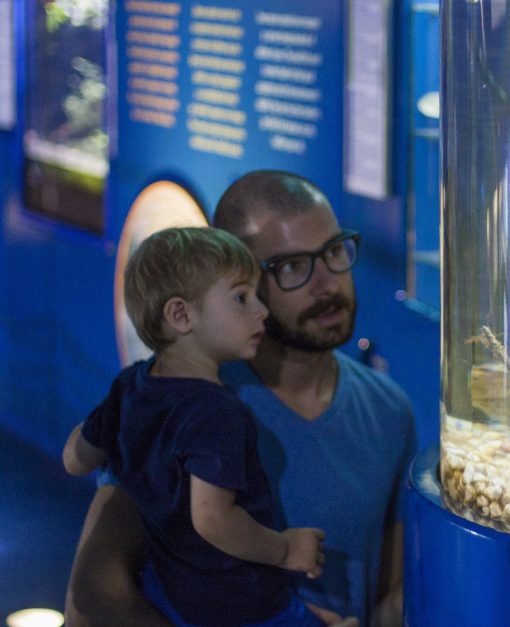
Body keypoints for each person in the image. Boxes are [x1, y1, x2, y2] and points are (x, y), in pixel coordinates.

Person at [64, 171, 417, 627]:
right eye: (291, 266)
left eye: (333, 252)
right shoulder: (177, 400)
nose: (327, 282)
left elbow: (390, 594)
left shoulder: (390, 411)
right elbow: (90, 605)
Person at [62, 227, 327, 626]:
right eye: (241, 297)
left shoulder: (131, 385)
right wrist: (286, 550)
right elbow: (213, 519)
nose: (262, 310)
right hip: (242, 605)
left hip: (170, 592)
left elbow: (74, 459)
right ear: (181, 315)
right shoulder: (215, 411)